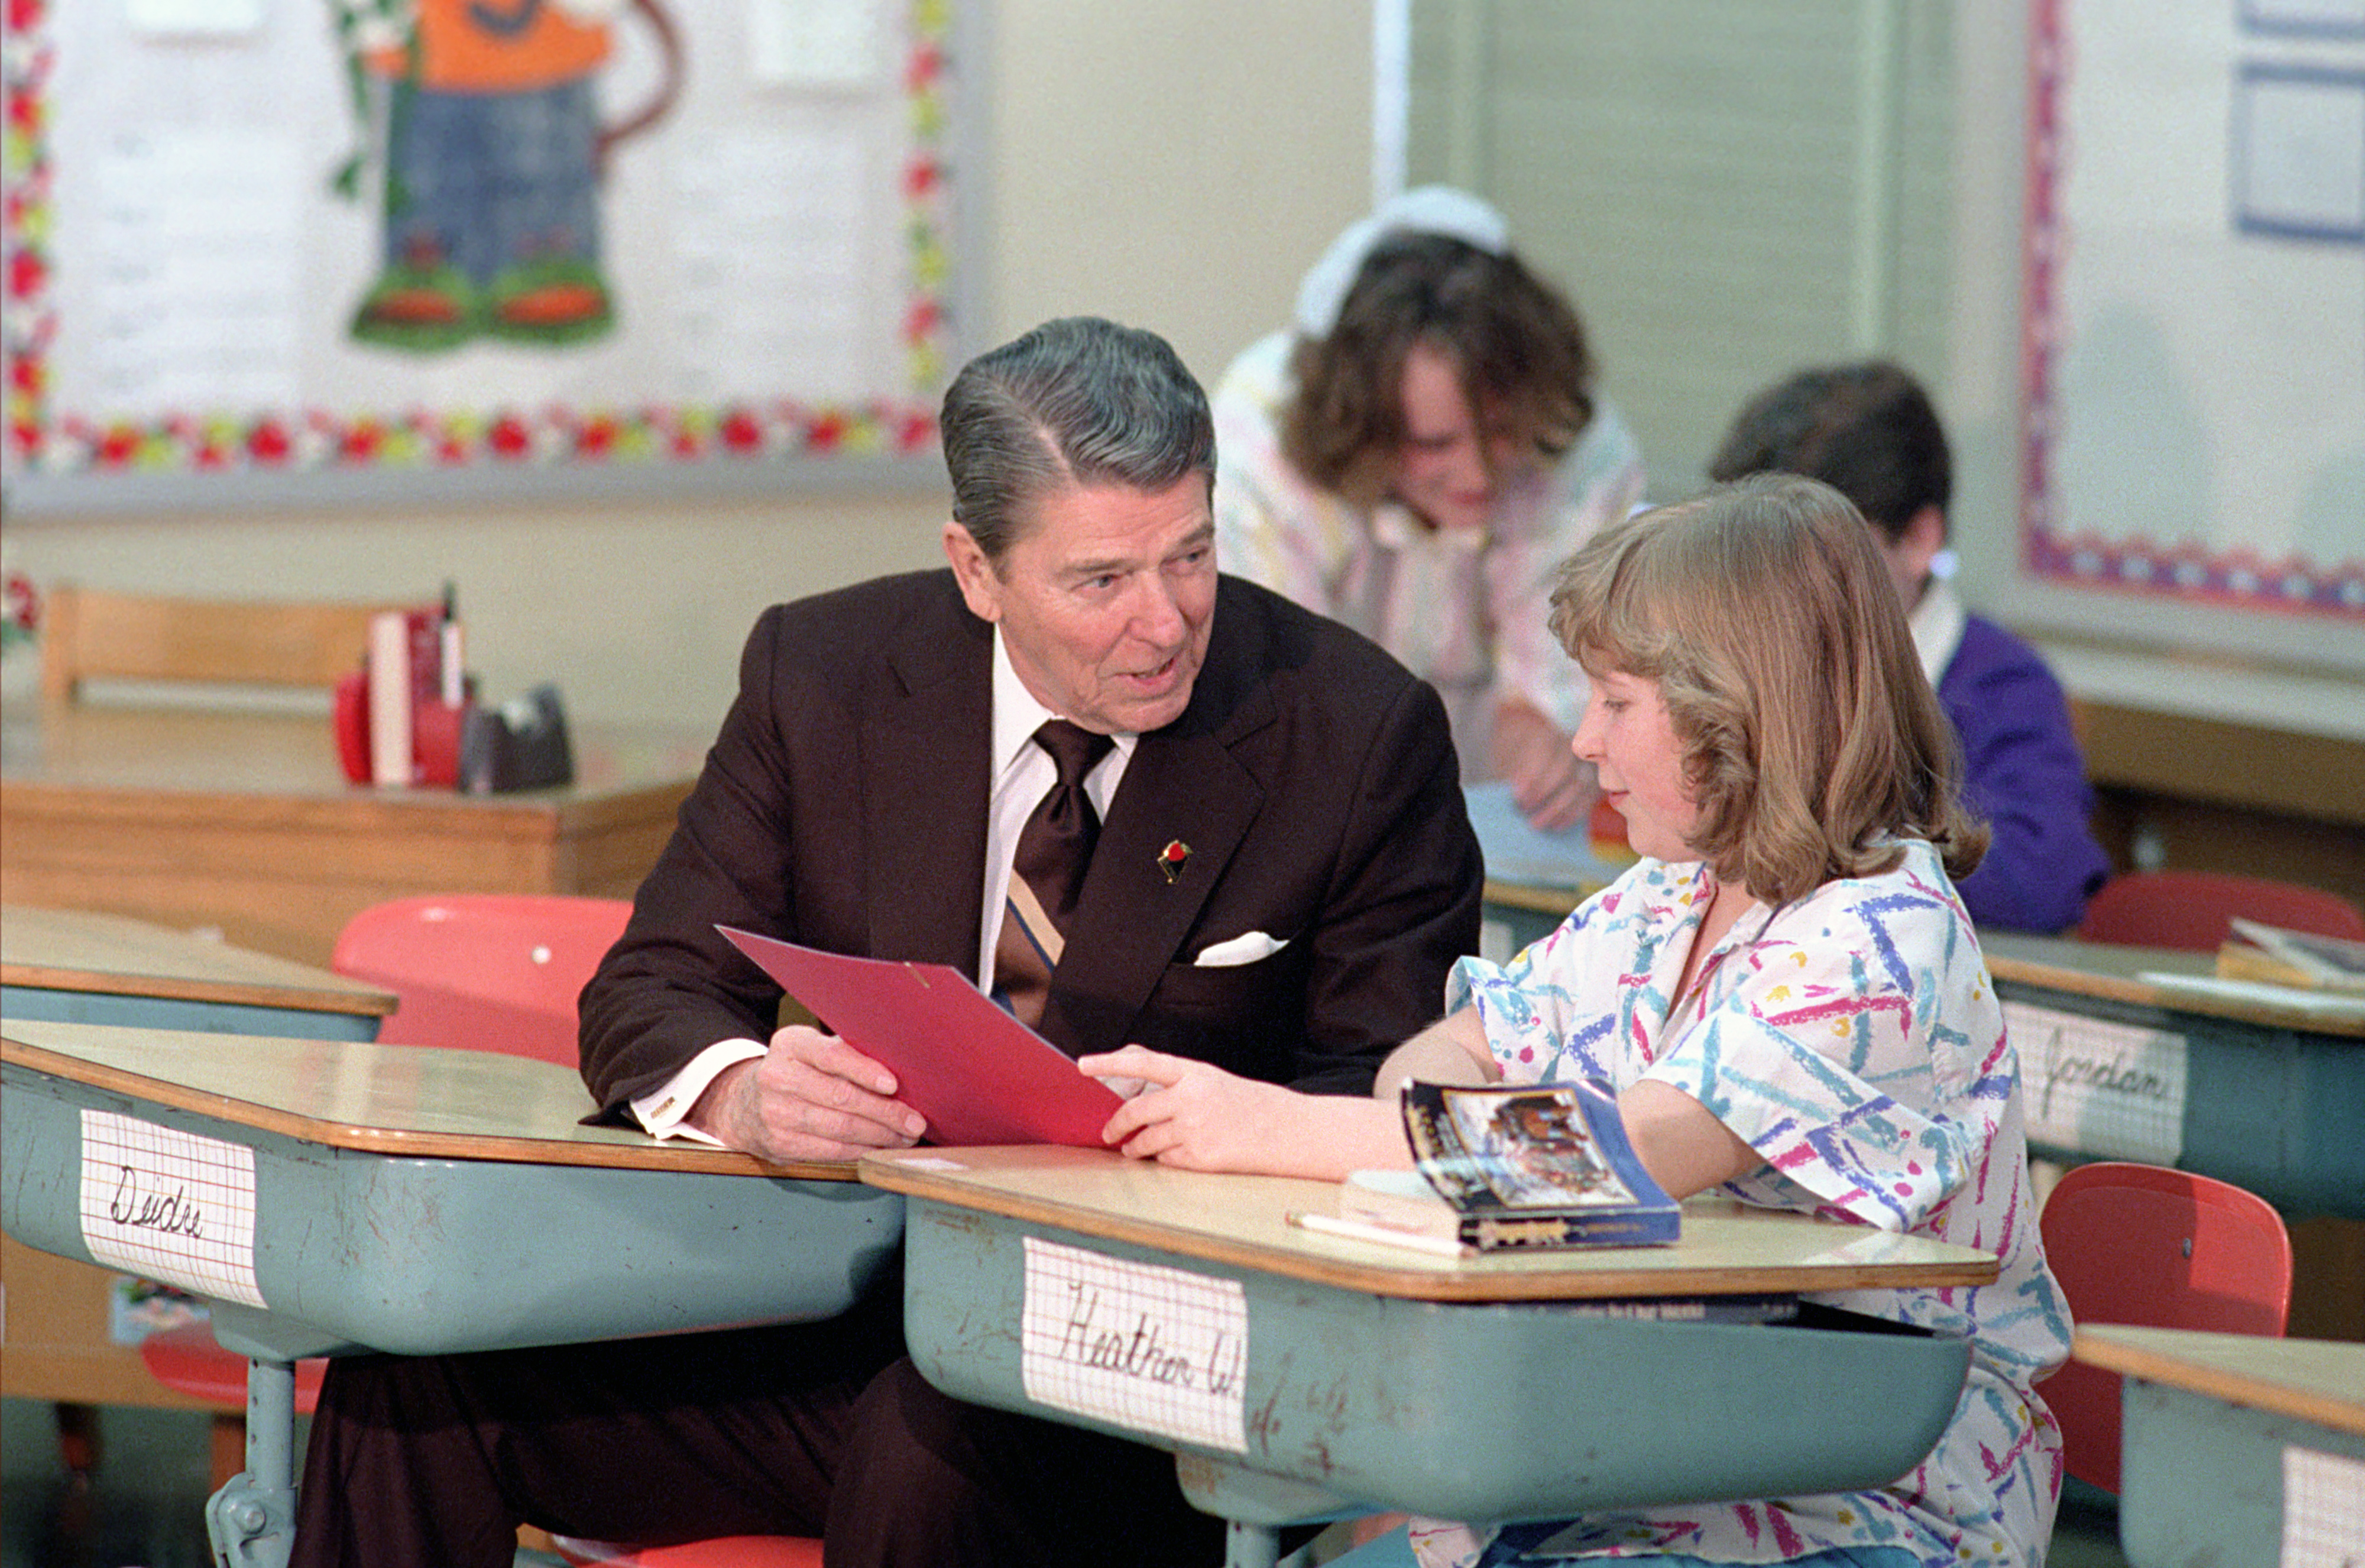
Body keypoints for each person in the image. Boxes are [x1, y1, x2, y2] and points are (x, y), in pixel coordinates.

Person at [286, 316, 1485, 1568]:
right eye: (1099, 581)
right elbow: (654, 986)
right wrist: (746, 1093)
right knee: (408, 1390)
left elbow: (1387, 1115)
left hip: (1155, 1370)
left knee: (924, 1451)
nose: (1165, 622)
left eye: (1189, 555)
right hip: (847, 1305)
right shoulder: (828, 674)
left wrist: (1223, 1126)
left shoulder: (1352, 737)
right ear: (976, 571)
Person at [1083, 475, 2073, 1568]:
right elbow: (1446, 1052)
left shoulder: (1884, 937)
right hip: (1633, 1447)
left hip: (1854, 1490)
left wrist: (1268, 1129)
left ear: (1737, 712)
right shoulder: (1671, 893)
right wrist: (1493, 1138)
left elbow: (1625, 1155)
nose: (1585, 742)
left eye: (1615, 701)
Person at [1211, 186, 1647, 832]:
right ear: (1359, 427)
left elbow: (1549, 685)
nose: (1477, 474)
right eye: (1432, 443)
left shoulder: (1578, 444)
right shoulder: (1261, 454)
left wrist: (1545, 730)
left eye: (1501, 430)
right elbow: (1284, 713)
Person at [1708, 361, 2112, 934]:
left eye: (1806, 554)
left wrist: (1832, 838)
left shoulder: (2003, 686)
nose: (1769, 586)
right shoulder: (1728, 662)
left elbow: (2036, 889)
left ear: (1918, 540)